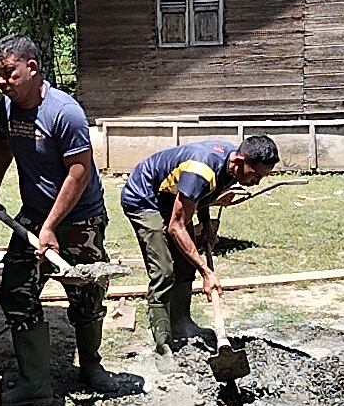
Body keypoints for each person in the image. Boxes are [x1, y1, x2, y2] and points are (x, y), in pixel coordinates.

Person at [0, 34, 118, 406]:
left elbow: (79, 173)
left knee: (87, 296)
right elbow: (3, 144)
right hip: (34, 217)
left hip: (79, 220)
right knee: (16, 293)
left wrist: (52, 227)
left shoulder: (63, 112)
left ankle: (91, 367)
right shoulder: (7, 108)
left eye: (9, 73)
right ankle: (34, 381)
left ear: (32, 68)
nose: (4, 82)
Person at [119, 135, 281, 370]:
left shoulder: (229, 166)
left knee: (185, 265)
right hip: (145, 199)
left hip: (171, 198)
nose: (256, 181)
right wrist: (206, 271)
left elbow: (202, 195)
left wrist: (205, 225)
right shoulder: (202, 169)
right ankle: (163, 347)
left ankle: (182, 323)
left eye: (261, 177)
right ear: (239, 161)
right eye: (255, 175)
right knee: (164, 271)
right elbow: (176, 225)